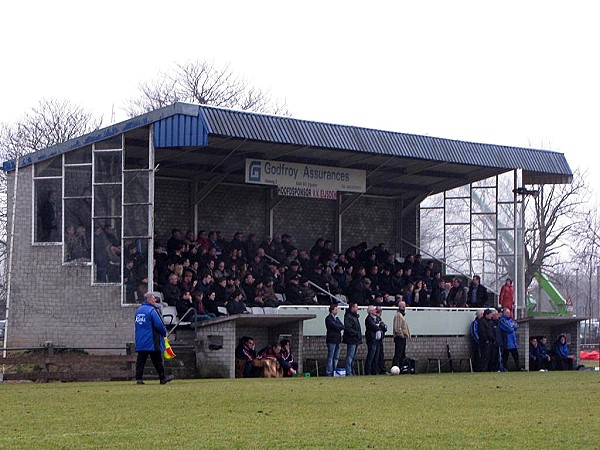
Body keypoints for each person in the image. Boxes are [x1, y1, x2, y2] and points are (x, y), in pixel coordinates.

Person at [134, 292, 174, 385]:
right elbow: (159, 324)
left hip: (140, 339)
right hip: (152, 339)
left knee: (141, 359)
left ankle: (139, 378)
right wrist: (164, 333)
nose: (155, 300)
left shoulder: (139, 310)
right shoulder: (152, 310)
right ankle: (162, 377)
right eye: (153, 298)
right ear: (149, 300)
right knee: (157, 359)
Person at [325, 304, 345, 376]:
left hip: (337, 339)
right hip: (331, 339)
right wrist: (338, 326)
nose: (337, 311)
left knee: (336, 357)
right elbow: (335, 326)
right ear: (332, 310)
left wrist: (338, 326)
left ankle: (334, 371)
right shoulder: (328, 318)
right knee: (330, 357)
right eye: (336, 309)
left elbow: (342, 326)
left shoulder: (336, 318)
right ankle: (329, 372)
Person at [342, 302, 361, 376]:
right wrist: (356, 333)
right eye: (356, 307)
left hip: (355, 339)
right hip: (351, 339)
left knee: (353, 357)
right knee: (350, 356)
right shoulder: (348, 317)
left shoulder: (355, 317)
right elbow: (348, 328)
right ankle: (348, 371)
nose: (357, 308)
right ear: (352, 308)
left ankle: (351, 371)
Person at [364, 305, 383, 375]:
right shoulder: (368, 319)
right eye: (374, 310)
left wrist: (379, 326)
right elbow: (374, 327)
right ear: (371, 311)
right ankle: (368, 371)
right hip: (371, 340)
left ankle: (374, 371)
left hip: (377, 340)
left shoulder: (377, 318)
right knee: (371, 356)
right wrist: (378, 326)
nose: (376, 311)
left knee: (376, 357)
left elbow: (382, 326)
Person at [392, 301, 410, 368]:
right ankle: (395, 367)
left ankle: (401, 367)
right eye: (404, 306)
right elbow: (397, 328)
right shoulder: (398, 315)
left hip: (402, 338)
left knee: (402, 354)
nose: (405, 307)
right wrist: (402, 335)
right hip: (399, 338)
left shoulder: (401, 315)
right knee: (398, 354)